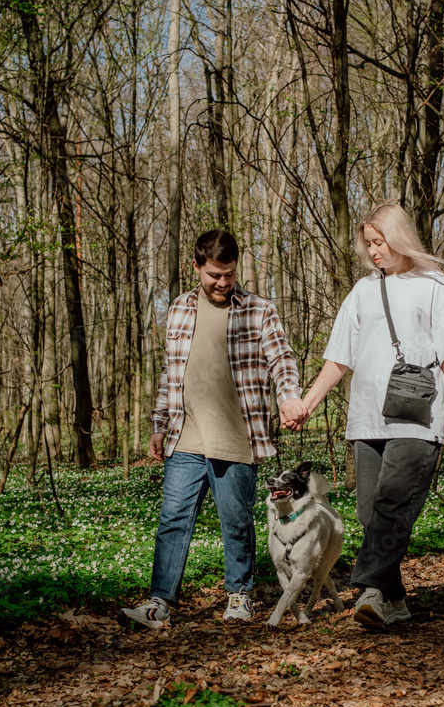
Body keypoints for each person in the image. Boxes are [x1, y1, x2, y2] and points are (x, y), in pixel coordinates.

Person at [291, 203, 444, 629]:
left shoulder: (433, 285)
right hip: (367, 415)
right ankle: (392, 600)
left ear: (400, 236)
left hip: (418, 414)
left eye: (380, 241)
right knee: (368, 511)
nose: (374, 251)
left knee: (392, 502)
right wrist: (307, 402)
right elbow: (339, 359)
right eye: (368, 244)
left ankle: (369, 587)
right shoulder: (362, 291)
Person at [118, 229, 306, 630]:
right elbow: (171, 373)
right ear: (196, 266)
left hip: (238, 437)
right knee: (172, 518)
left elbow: (282, 359)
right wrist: (159, 424)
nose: (222, 283)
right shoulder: (179, 309)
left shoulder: (258, 310)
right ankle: (159, 603)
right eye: (214, 276)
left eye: (230, 275)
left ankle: (240, 595)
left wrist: (289, 395)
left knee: (236, 519)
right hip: (185, 435)